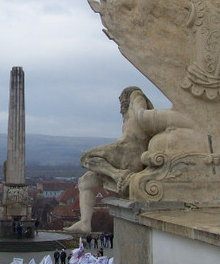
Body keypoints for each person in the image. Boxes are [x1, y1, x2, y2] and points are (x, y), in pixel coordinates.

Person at [65, 87, 154, 233]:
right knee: (85, 182)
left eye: (121, 100)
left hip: (130, 151)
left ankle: (116, 174)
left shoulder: (136, 96)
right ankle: (85, 223)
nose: (120, 106)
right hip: (126, 152)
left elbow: (144, 116)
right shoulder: (127, 115)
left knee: (86, 157)